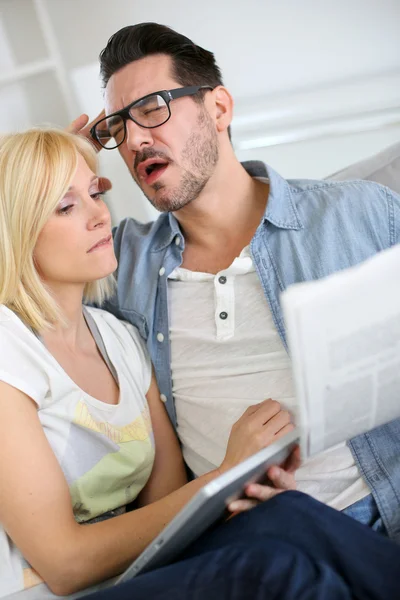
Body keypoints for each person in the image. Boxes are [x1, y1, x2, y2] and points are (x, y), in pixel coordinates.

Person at [70, 22, 400, 539]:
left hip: (382, 513)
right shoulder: (118, 260)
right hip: (243, 542)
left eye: (153, 108)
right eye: (117, 127)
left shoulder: (360, 214)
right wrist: (55, 176)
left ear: (218, 108)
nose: (134, 139)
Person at [0, 126, 303, 599]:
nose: (101, 215)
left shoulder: (121, 340)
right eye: (66, 206)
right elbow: (65, 563)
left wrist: (242, 487)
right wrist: (225, 474)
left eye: (95, 193)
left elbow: (166, 511)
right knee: (280, 563)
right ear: (15, 230)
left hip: (148, 579)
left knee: (292, 521)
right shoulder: (8, 348)